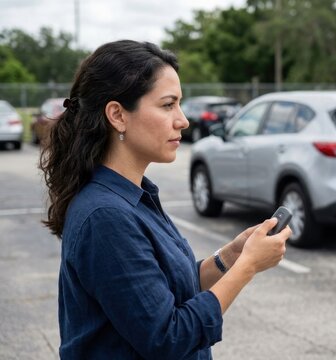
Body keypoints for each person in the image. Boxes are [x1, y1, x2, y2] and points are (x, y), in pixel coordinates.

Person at [39, 39, 291, 360]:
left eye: (179, 104)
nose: (183, 120)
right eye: (168, 104)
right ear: (117, 115)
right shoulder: (105, 215)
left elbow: (167, 293)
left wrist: (231, 255)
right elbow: (167, 338)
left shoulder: (135, 195)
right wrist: (248, 266)